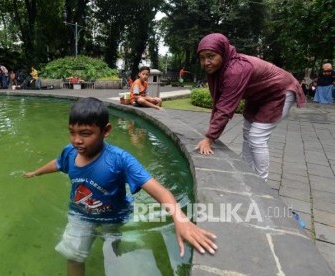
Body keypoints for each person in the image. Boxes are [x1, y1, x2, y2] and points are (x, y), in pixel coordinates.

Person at [24, 97, 217, 276]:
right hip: (80, 213)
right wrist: (36, 172)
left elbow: (159, 190)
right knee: (73, 255)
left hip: (114, 215)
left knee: (112, 247)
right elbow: (58, 163)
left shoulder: (120, 160)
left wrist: (179, 218)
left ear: (106, 131)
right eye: (72, 132)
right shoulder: (70, 152)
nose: (77, 140)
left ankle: (113, 247)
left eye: (85, 134)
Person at [195, 33, 306, 181]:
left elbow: (225, 108)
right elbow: (220, 101)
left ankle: (262, 182)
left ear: (222, 52)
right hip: (257, 95)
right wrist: (211, 134)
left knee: (257, 137)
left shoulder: (236, 70)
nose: (206, 62)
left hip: (279, 92)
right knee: (247, 133)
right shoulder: (219, 69)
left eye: (211, 56)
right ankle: (247, 174)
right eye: (202, 58)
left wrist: (209, 138)